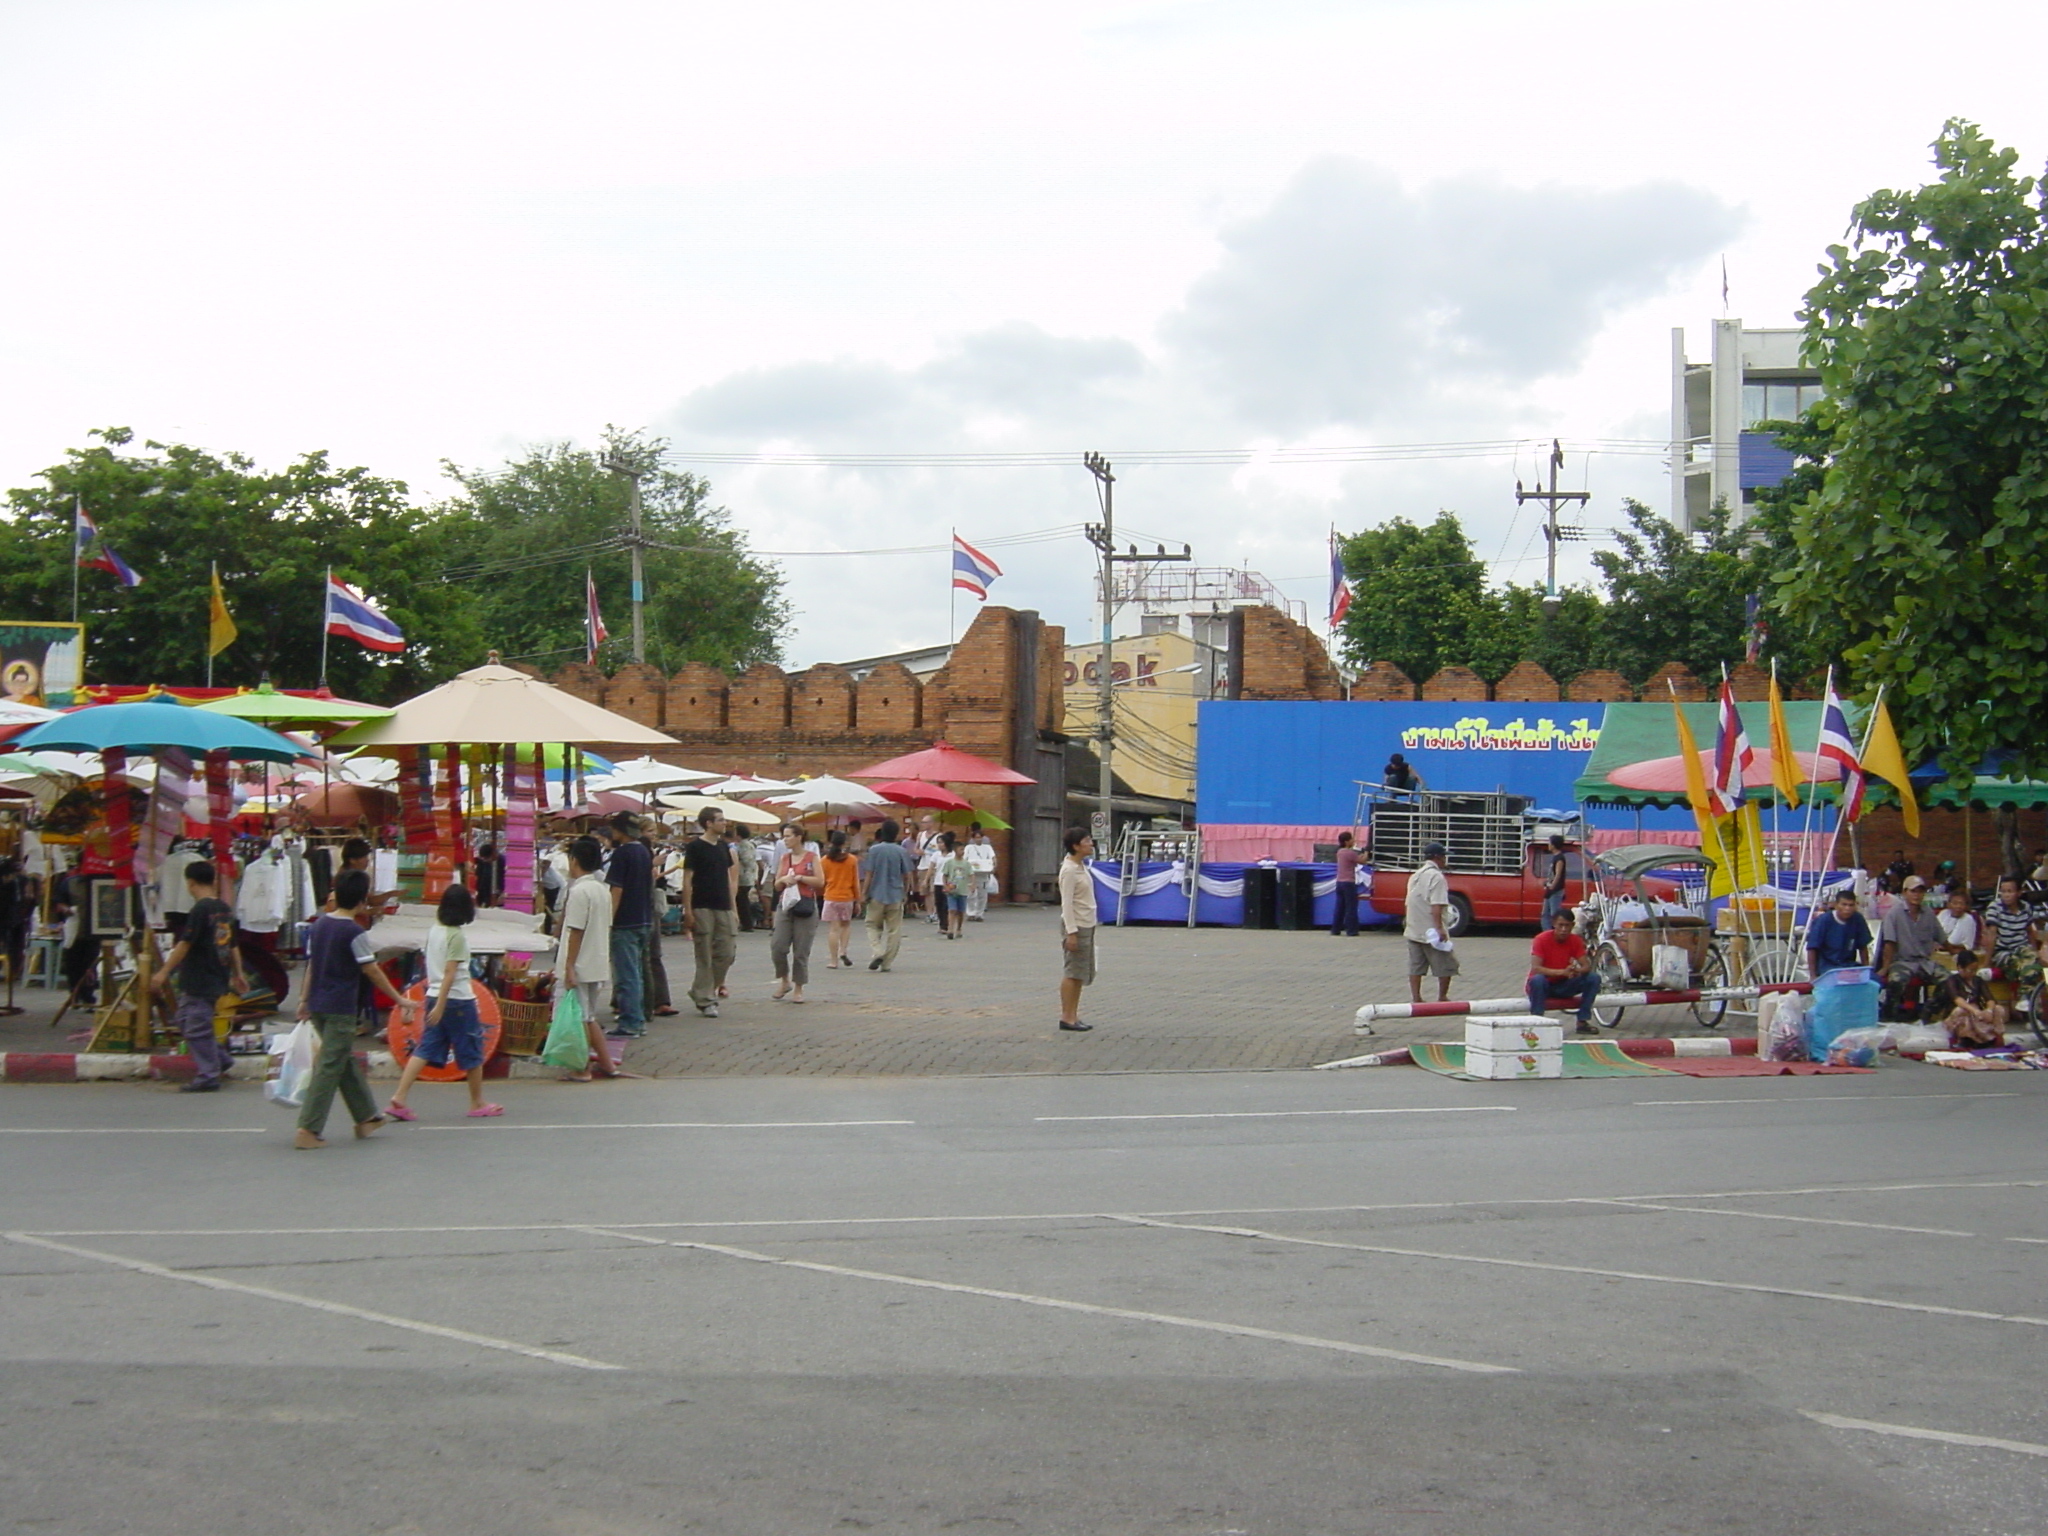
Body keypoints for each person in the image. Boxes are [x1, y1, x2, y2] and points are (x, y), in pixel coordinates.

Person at [294, 869, 416, 1150]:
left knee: (341, 1059)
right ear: (362, 901)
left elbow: (311, 966)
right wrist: (400, 1000)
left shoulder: (320, 925)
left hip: (319, 1005)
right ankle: (308, 1129)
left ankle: (366, 1117)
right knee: (329, 1067)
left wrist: (302, 1000)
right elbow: (371, 970)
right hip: (340, 1008)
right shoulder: (354, 932)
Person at [384, 884, 501, 1121]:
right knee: (472, 1049)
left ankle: (399, 1097)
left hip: (434, 994)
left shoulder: (435, 931)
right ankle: (477, 1102)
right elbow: (451, 972)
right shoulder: (455, 936)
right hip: (457, 999)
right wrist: (441, 1005)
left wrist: (436, 1003)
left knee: (425, 1047)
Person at [151, 861, 247, 1093]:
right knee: (185, 1019)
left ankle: (208, 1073)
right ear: (213, 880)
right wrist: (238, 973)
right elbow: (232, 945)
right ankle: (220, 1058)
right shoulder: (223, 909)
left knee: (196, 1026)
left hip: (201, 977)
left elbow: (185, 944)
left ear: (190, 883)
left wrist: (164, 972)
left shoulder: (200, 910)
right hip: (217, 974)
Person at [556, 834, 626, 1081]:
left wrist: (568, 967)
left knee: (579, 1019)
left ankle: (582, 1067)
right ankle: (607, 1064)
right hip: (596, 961)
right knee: (588, 1016)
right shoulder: (601, 890)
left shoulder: (579, 891)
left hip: (580, 964)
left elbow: (575, 930)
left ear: (575, 861)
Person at [680, 806, 737, 1016]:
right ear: (708, 823)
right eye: (720, 820)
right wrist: (688, 910)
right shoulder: (695, 847)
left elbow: (729, 879)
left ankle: (701, 990)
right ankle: (706, 998)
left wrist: (734, 908)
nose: (724, 823)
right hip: (702, 905)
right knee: (704, 953)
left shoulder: (724, 847)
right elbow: (687, 880)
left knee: (727, 952)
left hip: (723, 906)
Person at [600, 812, 653, 1038]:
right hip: (642, 918)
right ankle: (637, 1018)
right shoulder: (643, 851)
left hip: (625, 921)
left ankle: (630, 1022)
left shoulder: (622, 854)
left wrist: (608, 920)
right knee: (636, 972)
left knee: (626, 975)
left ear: (619, 831)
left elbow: (616, 889)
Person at [769, 822, 824, 1002]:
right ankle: (784, 980)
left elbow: (820, 881)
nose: (785, 840)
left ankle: (798, 987)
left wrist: (801, 878)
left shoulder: (811, 857)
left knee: (801, 950)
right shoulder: (785, 858)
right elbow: (776, 884)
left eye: (788, 836)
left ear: (799, 837)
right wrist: (784, 879)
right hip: (786, 905)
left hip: (805, 905)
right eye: (783, 836)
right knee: (778, 946)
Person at [1526, 907, 1602, 1035]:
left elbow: (1586, 966)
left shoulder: (1575, 940)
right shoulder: (1541, 939)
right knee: (1537, 980)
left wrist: (1576, 971)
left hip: (1564, 984)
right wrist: (1562, 972)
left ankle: (1582, 1021)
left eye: (1567, 926)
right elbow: (1536, 968)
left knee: (1593, 978)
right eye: (1560, 925)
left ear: (1572, 926)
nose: (1564, 930)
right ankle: (1537, 1021)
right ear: (1553, 924)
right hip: (1544, 985)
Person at [1879, 874, 1944, 1016]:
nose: (1917, 895)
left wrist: (1958, 950)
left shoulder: (1928, 913)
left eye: (1920, 891)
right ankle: (1889, 1016)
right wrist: (1885, 967)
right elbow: (1889, 944)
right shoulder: (1893, 914)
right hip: (1902, 962)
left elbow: (1942, 939)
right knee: (1895, 982)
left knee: (1950, 981)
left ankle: (1928, 1012)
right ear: (1904, 893)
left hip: (1925, 962)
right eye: (1913, 891)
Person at [1403, 841, 1458, 1004]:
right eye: (1444, 857)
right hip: (1431, 930)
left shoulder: (1416, 875)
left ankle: (1416, 998)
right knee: (1446, 964)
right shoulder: (1437, 877)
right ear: (1438, 857)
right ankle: (1442, 996)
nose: (1445, 860)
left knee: (1416, 966)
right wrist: (1439, 928)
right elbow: (1436, 905)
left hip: (1414, 927)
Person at [859, 819, 915, 971]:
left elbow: (869, 874)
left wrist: (863, 893)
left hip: (876, 893)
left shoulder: (874, 850)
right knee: (894, 929)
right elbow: (907, 875)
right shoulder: (901, 851)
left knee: (871, 924)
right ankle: (887, 963)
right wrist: (906, 892)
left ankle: (877, 950)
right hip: (896, 894)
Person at [1056, 826, 1097, 1032]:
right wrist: (1071, 932)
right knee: (1072, 971)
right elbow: (1067, 904)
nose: (1091, 843)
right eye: (1086, 840)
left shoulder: (1081, 866)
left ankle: (1073, 1014)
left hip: (1087, 923)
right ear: (1075, 846)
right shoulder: (1069, 870)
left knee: (1081, 972)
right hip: (1076, 925)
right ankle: (1066, 1016)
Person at [1983, 875, 2044, 991]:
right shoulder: (1994, 908)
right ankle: (2025, 997)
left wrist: (2036, 951)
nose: (2006, 895)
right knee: (2024, 966)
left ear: (2019, 893)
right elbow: (1992, 936)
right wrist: (1987, 963)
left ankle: (2036, 998)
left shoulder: (2026, 907)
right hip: (2004, 952)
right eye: (2003, 891)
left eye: (2010, 891)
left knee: (2037, 961)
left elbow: (2030, 932)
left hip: (2022, 949)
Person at [1941, 950, 2008, 1047]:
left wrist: (1989, 1010)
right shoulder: (1952, 981)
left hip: (1978, 1014)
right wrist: (1974, 1010)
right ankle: (1974, 1039)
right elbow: (1958, 1000)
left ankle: (1996, 1037)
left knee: (1998, 1009)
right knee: (1962, 1010)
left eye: (1975, 970)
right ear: (1960, 968)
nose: (1973, 973)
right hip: (1961, 1015)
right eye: (1970, 970)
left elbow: (1989, 999)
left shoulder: (1978, 980)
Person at [1806, 888, 1874, 978]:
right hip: (1827, 966)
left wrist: (1866, 970)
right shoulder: (1823, 920)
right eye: (1844, 904)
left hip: (1848, 965)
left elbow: (1863, 946)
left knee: (1874, 980)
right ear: (1836, 905)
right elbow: (1812, 948)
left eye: (1851, 905)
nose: (1847, 908)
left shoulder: (1858, 919)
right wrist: (1813, 975)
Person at [819, 829, 860, 967]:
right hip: (847, 897)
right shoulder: (852, 860)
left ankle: (833, 960)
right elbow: (855, 882)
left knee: (833, 929)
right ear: (844, 843)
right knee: (846, 925)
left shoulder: (824, 860)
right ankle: (843, 950)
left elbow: (821, 880)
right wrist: (858, 900)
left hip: (830, 896)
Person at [938, 833, 975, 939]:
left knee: (961, 911)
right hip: (951, 891)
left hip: (962, 890)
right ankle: (950, 929)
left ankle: (959, 928)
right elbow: (945, 875)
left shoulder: (966, 864)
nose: (962, 852)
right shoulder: (949, 863)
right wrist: (945, 885)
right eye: (960, 850)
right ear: (955, 850)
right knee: (952, 910)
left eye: (963, 850)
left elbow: (971, 875)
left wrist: (972, 885)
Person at [1329, 831, 1363, 937]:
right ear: (1346, 841)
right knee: (1351, 907)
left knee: (1340, 906)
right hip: (1349, 883)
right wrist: (1366, 853)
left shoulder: (1340, 852)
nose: (1353, 841)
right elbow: (1362, 861)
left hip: (1339, 882)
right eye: (1351, 839)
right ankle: (1352, 930)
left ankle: (1335, 929)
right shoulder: (1350, 853)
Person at [730, 826, 761, 933]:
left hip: (744, 876)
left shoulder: (744, 845)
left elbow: (747, 860)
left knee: (742, 901)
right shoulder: (744, 845)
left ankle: (747, 923)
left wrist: (736, 858)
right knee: (742, 900)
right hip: (746, 875)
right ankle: (746, 922)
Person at [1935, 886, 1980, 960]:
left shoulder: (1968, 919)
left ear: (1966, 906)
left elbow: (1967, 946)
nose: (1958, 906)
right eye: (1955, 903)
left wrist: (1946, 946)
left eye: (1961, 904)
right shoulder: (1944, 914)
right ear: (1949, 904)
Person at [964, 825, 997, 921]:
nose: (978, 839)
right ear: (973, 838)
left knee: (982, 895)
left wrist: (994, 866)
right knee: (971, 895)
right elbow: (965, 859)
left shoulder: (987, 847)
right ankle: (971, 913)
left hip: (983, 873)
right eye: (976, 837)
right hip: (972, 874)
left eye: (980, 837)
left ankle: (979, 914)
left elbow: (993, 858)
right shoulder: (969, 847)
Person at [1539, 834, 1570, 928]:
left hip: (1556, 890)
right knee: (1545, 914)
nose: (1548, 845)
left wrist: (1552, 885)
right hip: (1550, 890)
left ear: (1554, 845)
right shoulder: (1554, 857)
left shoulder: (1560, 858)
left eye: (1550, 843)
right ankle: (1548, 934)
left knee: (1554, 914)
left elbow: (1558, 874)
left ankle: (1554, 933)